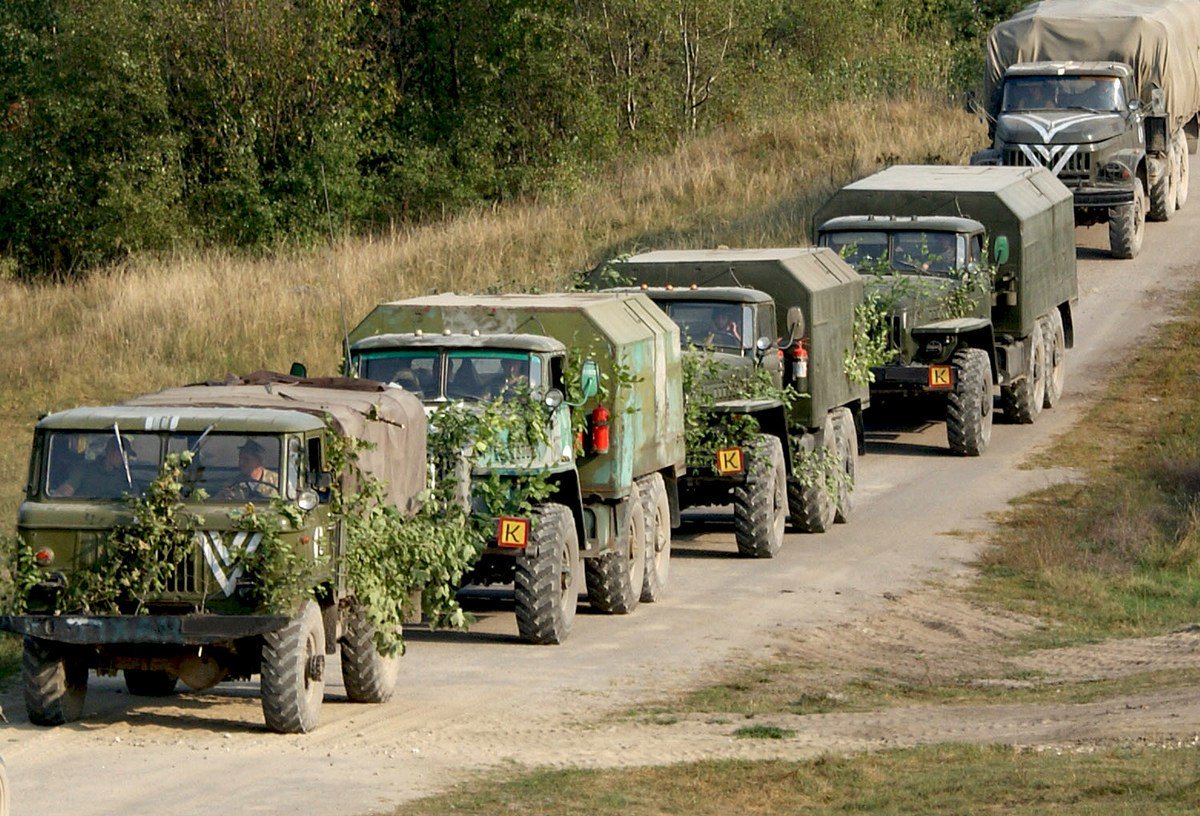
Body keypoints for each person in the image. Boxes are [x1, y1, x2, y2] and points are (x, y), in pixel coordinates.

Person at [55, 437, 131, 498]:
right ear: (111, 452)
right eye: (122, 455)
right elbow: (66, 490)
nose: (125, 459)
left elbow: (134, 497)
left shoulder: (126, 475)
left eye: (127, 456)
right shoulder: (85, 469)